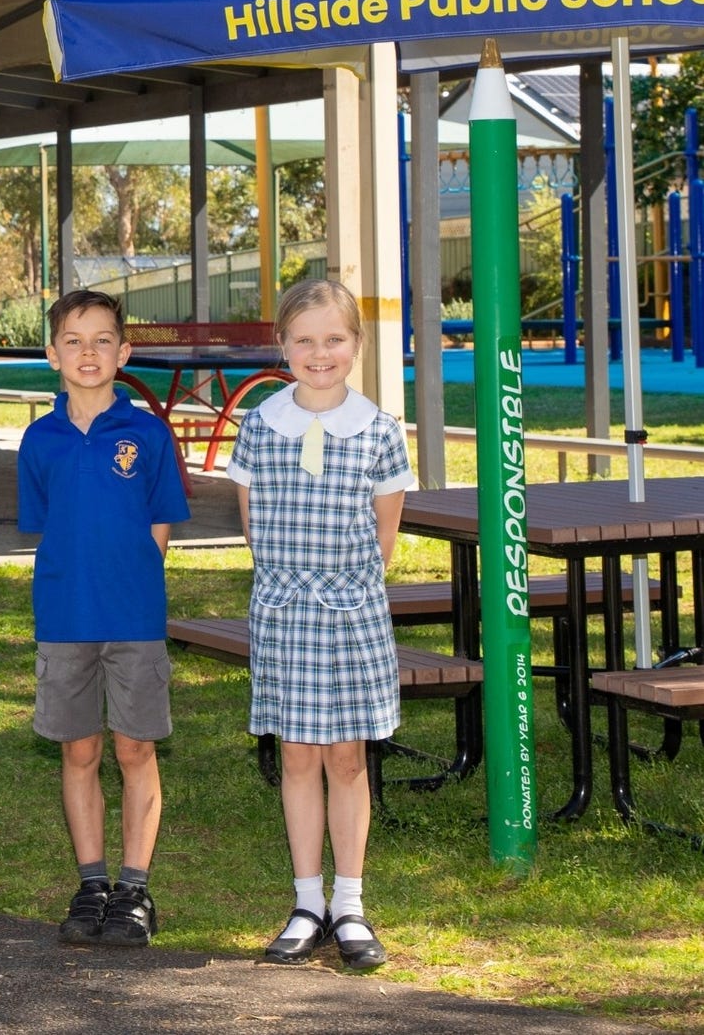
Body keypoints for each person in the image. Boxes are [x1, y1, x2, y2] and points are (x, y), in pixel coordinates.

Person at [227, 279, 415, 970]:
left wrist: (343, 590)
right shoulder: (260, 425)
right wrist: (293, 591)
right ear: (282, 346)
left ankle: (349, 902)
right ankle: (306, 900)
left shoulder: (378, 429)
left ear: (356, 345)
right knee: (299, 755)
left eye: (334, 338)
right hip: (286, 611)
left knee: (347, 756)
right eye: (303, 339)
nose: (319, 351)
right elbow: (254, 526)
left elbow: (384, 532)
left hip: (352, 612)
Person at [17, 289, 190, 947]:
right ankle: (92, 886)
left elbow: (160, 523)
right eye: (73, 339)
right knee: (80, 749)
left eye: (101, 340)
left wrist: (135, 590)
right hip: (64, 618)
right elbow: (45, 528)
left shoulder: (146, 432)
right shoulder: (39, 439)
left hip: (134, 618)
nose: (87, 352)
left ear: (123, 352)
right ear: (52, 352)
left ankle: (135, 890)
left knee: (135, 746)